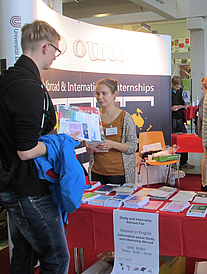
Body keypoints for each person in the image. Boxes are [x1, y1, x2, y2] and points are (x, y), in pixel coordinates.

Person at [0, 20, 71, 273]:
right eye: (55, 50)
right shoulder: (28, 88)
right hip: (27, 188)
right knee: (57, 258)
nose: (54, 57)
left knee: (24, 254)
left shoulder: (9, 80)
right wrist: (60, 144)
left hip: (12, 183)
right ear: (45, 46)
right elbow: (26, 150)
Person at [86, 78, 138, 185]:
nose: (100, 97)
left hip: (119, 174)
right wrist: (90, 148)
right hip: (96, 172)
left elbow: (133, 146)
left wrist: (113, 144)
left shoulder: (125, 117)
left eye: (104, 93)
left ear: (114, 94)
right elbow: (88, 145)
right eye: (97, 94)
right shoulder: (92, 116)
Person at [171, 75, 194, 169]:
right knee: (172, 140)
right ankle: (172, 161)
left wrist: (184, 105)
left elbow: (181, 100)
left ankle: (184, 161)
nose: (178, 88)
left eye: (179, 86)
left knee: (184, 139)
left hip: (179, 117)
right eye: (176, 86)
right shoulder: (167, 92)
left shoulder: (179, 91)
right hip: (171, 118)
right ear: (172, 84)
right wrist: (171, 108)